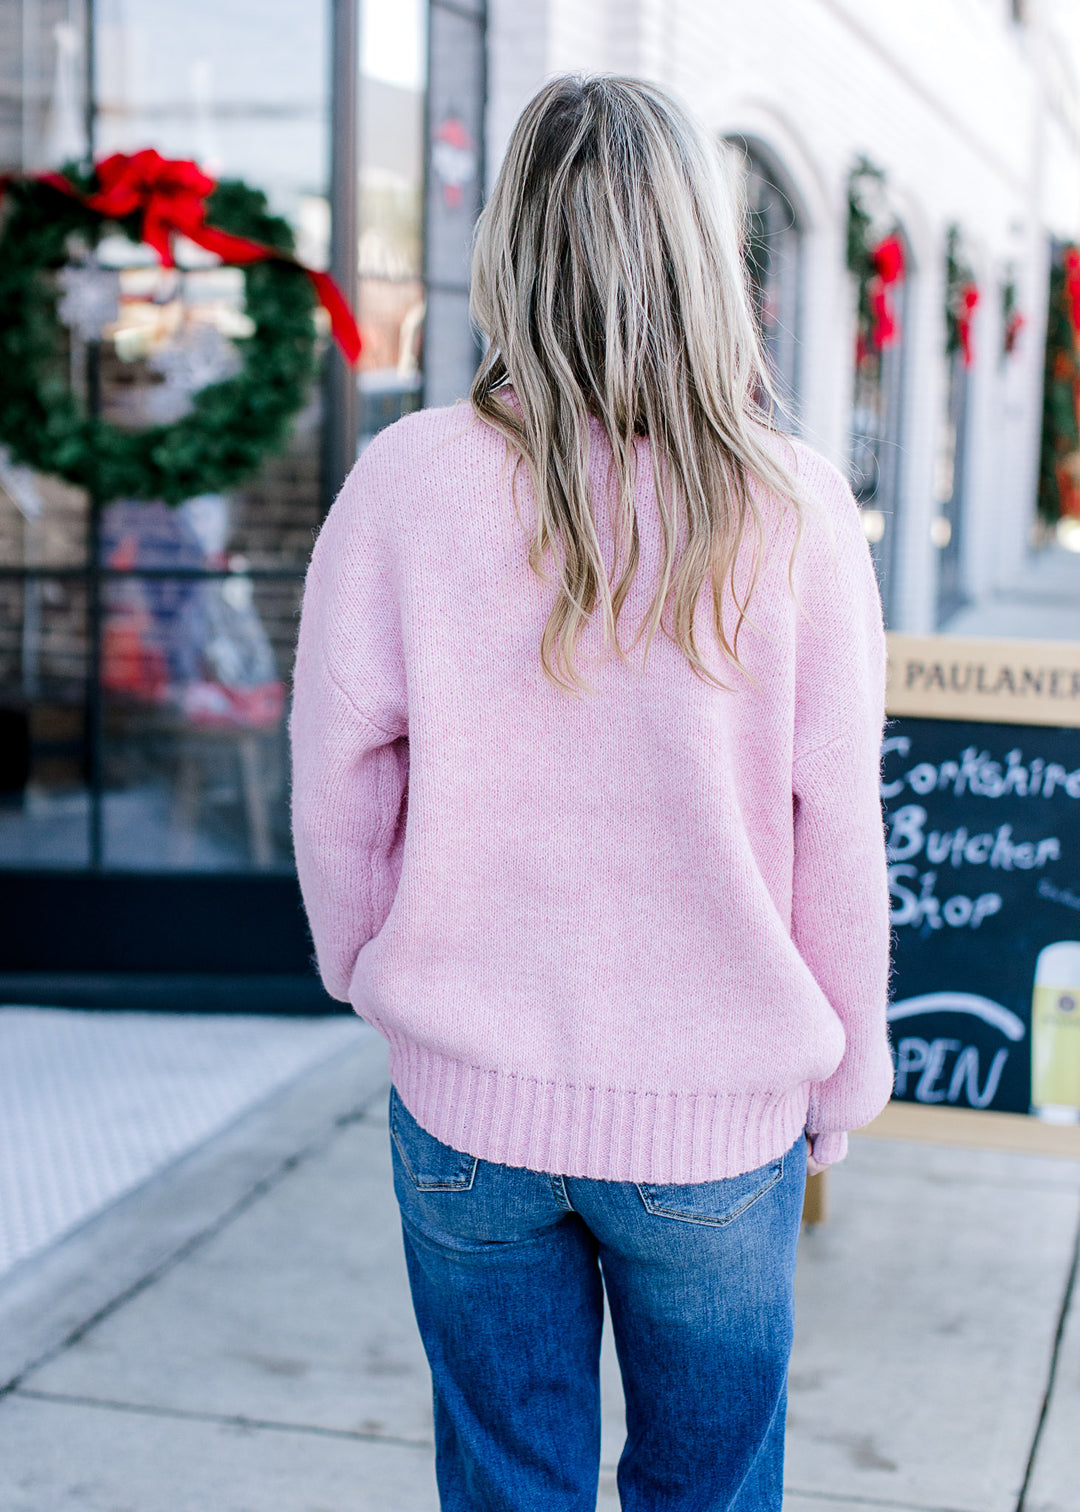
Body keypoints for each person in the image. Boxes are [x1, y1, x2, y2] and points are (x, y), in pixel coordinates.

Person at [291, 73, 892, 1512]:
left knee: (505, 1487)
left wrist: (369, 964)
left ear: (512, 247)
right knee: (712, 1493)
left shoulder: (405, 482)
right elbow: (837, 826)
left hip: (465, 1107)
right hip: (719, 1121)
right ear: (705, 254)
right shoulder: (795, 507)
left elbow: (334, 777)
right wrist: (850, 1069)